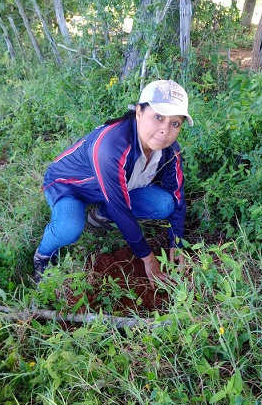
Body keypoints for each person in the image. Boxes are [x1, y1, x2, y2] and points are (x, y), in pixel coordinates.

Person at [33, 79, 192, 287]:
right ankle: (42, 256)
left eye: (175, 123)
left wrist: (177, 242)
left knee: (165, 204)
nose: (165, 130)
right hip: (71, 186)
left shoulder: (170, 152)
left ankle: (100, 215)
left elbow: (177, 195)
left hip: (111, 189)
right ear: (138, 113)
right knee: (69, 227)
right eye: (158, 117)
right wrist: (149, 259)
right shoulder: (112, 147)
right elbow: (121, 209)